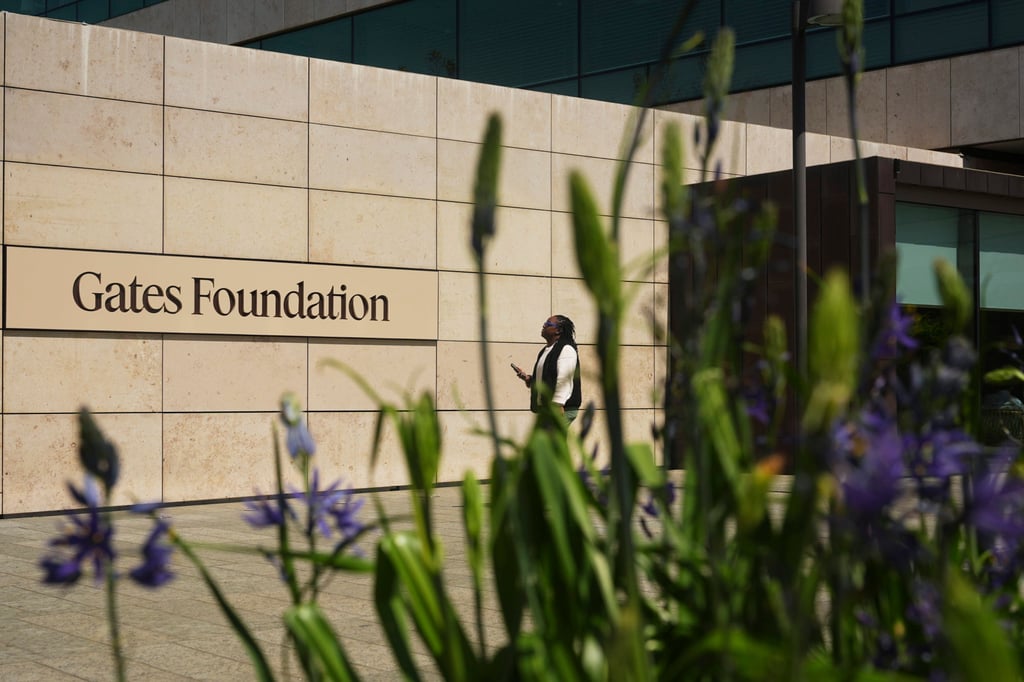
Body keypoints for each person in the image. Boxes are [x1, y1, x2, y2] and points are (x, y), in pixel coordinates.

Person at [513, 314, 582, 424]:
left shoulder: (566, 349)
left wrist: (558, 404)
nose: (544, 326)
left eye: (548, 324)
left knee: (552, 440)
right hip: (549, 408)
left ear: (558, 330)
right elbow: (547, 378)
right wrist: (528, 379)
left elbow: (564, 378)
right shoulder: (546, 350)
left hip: (561, 408)